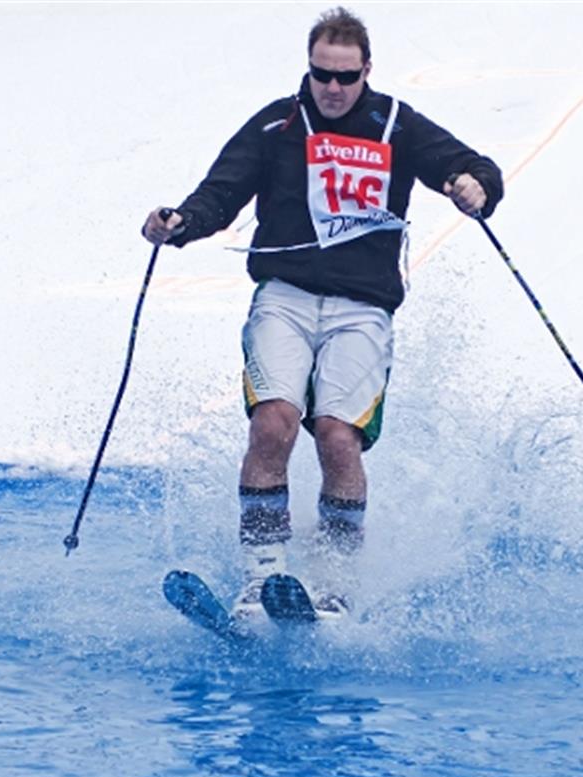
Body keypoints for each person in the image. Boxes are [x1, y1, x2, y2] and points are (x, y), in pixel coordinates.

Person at [142, 6, 503, 623]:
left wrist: (476, 188)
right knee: (274, 424)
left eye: (345, 77)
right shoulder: (277, 125)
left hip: (362, 308)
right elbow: (220, 194)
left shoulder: (396, 124)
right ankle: (259, 582)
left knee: (338, 437)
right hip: (284, 296)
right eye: (321, 75)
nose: (333, 89)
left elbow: (474, 169)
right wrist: (177, 225)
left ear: (367, 72)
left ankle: (335, 587)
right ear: (308, 71)